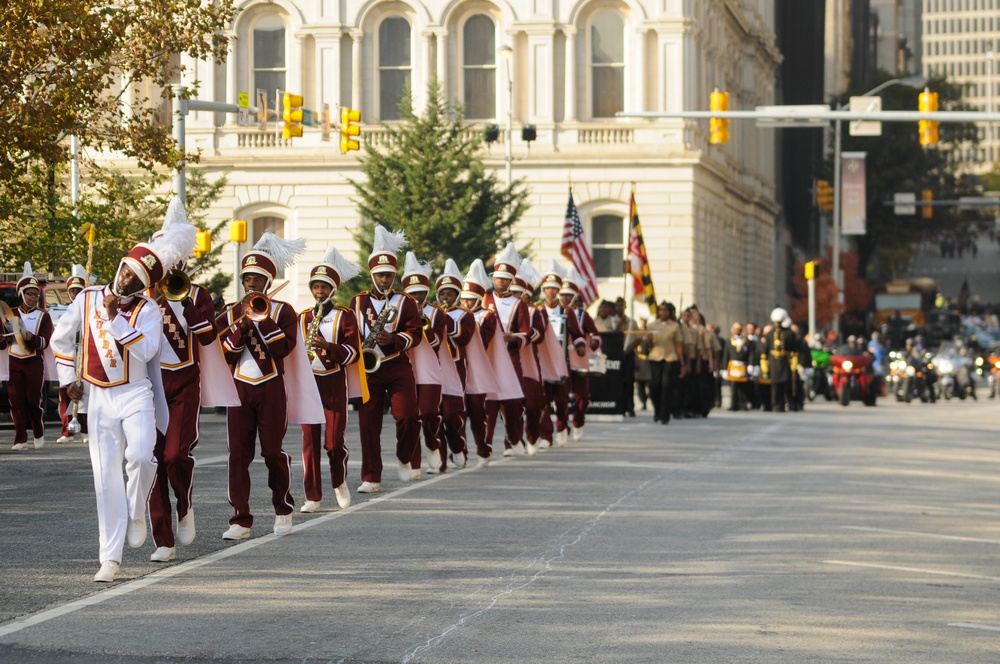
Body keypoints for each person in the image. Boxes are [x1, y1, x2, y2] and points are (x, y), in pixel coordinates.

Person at [52, 238, 179, 582]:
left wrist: (115, 320)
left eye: (136, 279)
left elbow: (148, 349)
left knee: (140, 456)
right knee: (105, 478)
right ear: (120, 266)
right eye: (126, 272)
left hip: (136, 393)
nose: (126, 281)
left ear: (144, 286)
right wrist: (67, 380)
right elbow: (61, 340)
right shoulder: (87, 297)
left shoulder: (148, 310)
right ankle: (110, 558)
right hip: (99, 397)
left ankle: (136, 510)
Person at [148, 199, 239, 562]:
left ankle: (184, 506)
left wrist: (184, 303)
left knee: (174, 456)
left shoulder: (198, 294)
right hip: (149, 387)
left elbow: (206, 337)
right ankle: (163, 539)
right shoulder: (144, 295)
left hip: (185, 383)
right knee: (150, 459)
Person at [219, 232, 322, 540]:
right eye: (247, 279)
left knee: (272, 452)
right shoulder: (230, 311)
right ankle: (240, 518)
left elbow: (284, 349)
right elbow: (225, 353)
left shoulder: (283, 312)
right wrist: (241, 326)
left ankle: (283, 508)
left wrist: (261, 320)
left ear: (267, 282)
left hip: (271, 386)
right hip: (239, 387)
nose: (251, 284)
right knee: (238, 454)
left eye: (257, 279)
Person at [349, 225, 423, 491]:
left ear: (394, 276)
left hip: (397, 364)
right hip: (368, 369)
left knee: (407, 415)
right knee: (369, 423)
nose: (384, 279)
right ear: (372, 275)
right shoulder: (357, 302)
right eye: (380, 275)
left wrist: (394, 339)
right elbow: (351, 332)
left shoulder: (406, 302)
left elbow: (416, 333)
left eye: (388, 275)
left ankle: (405, 456)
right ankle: (371, 476)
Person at [299, 245, 362, 513]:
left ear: (333, 290)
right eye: (316, 287)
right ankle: (312, 495)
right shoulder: (303, 317)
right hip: (310, 384)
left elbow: (353, 353)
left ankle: (339, 481)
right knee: (309, 442)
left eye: (324, 287)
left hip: (334, 382)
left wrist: (327, 347)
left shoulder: (345, 315)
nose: (319, 292)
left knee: (333, 442)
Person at [460, 259, 518, 465]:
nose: (465, 303)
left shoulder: (487, 316)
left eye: (469, 299)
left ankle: (483, 449)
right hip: (459, 369)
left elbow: (481, 341)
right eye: (463, 299)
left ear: (478, 299)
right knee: (456, 413)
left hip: (478, 371)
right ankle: (460, 453)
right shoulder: (455, 314)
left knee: (477, 414)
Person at [400, 251, 452, 477]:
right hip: (407, 371)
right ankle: (413, 464)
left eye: (420, 293)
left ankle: (433, 444)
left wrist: (423, 322)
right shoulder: (399, 310)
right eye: (412, 294)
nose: (417, 298)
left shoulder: (437, 314)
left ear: (427, 292)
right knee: (410, 418)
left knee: (429, 412)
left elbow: (435, 341)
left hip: (430, 372)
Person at [483, 243, 533, 456]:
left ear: (511, 281)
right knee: (487, 405)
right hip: (487, 358)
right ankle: (484, 445)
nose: (500, 282)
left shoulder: (518, 303)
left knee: (511, 402)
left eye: (505, 279)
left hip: (510, 358)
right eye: (497, 278)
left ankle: (513, 439)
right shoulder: (484, 299)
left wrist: (511, 337)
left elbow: (526, 333)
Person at [3, 262, 54, 450]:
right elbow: (3, 339)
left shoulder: (43, 316)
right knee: (16, 401)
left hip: (33, 361)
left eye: (35, 294)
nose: (33, 297)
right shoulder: (11, 314)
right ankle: (20, 439)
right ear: (21, 294)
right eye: (29, 293)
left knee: (33, 400)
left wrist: (31, 338)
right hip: (14, 360)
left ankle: (38, 433)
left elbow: (45, 341)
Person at [434, 259, 478, 471]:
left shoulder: (465, 315)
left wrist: (445, 319)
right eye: (442, 294)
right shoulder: (431, 313)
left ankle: (458, 447)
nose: (445, 298)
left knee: (452, 413)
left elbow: (464, 337)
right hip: (433, 368)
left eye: (450, 294)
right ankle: (440, 459)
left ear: (457, 296)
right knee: (434, 413)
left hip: (456, 368)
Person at [539, 260, 585, 446]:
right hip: (542, 360)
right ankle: (545, 436)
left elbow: (577, 334)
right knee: (543, 399)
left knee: (561, 400)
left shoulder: (567, 311)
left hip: (561, 361)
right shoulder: (537, 310)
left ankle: (562, 426)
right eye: (547, 288)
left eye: (554, 288)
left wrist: (580, 345)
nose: (550, 291)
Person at [560, 267, 601, 440]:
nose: (566, 298)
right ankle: (562, 427)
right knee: (560, 396)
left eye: (569, 295)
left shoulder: (583, 315)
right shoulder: (554, 311)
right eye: (563, 294)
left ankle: (578, 421)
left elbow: (595, 333)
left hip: (578, 358)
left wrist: (593, 342)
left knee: (582, 395)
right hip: (560, 359)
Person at [56, 264, 90, 444]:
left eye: (79, 290)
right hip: (70, 356)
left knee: (84, 391)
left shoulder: (91, 309)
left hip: (85, 355)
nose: (76, 293)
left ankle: (85, 429)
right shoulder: (63, 311)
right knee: (65, 393)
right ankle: (66, 430)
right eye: (73, 290)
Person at [646, 301, 685, 424]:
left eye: (665, 310)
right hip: (655, 357)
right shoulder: (652, 325)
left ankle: (664, 414)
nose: (663, 312)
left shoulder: (675, 326)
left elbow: (678, 345)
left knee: (666, 386)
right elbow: (648, 345)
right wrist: (649, 339)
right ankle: (657, 410)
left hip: (670, 358)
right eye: (661, 310)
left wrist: (682, 363)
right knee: (654, 386)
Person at [759, 307, 799, 413]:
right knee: (774, 385)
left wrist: (794, 362)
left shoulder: (789, 333)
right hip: (773, 362)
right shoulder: (769, 334)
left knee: (786, 384)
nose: (777, 324)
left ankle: (787, 403)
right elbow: (765, 350)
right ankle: (775, 404)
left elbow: (794, 349)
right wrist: (764, 363)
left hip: (785, 361)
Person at [721, 323, 753, 411]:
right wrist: (724, 369)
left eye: (739, 329)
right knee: (733, 386)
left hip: (743, 366)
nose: (737, 331)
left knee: (743, 387)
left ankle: (743, 404)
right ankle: (733, 404)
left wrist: (750, 365)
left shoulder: (747, 341)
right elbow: (725, 355)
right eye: (735, 329)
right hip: (733, 366)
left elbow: (751, 354)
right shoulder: (728, 341)